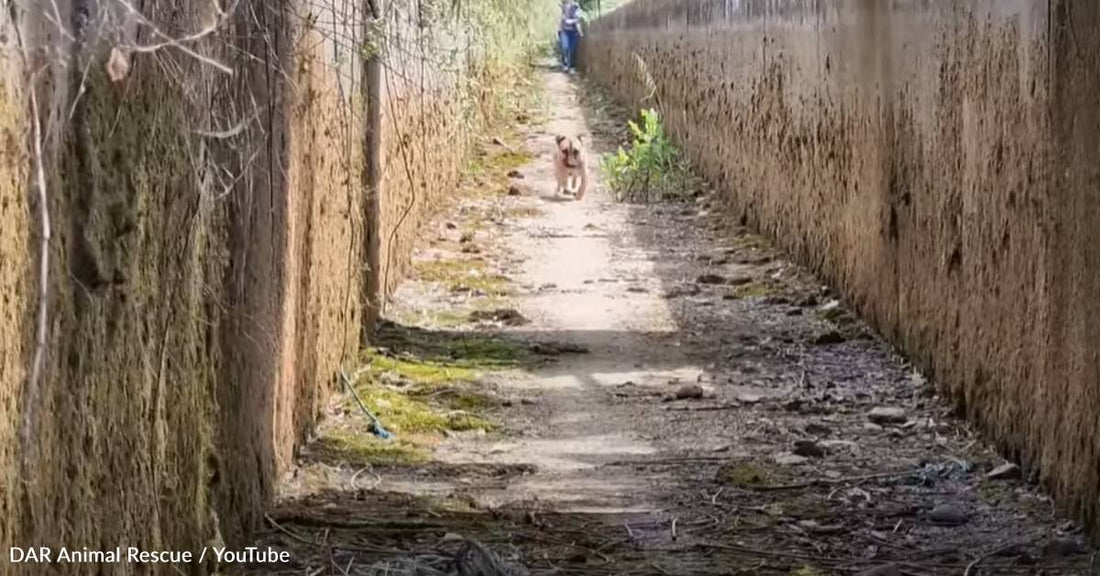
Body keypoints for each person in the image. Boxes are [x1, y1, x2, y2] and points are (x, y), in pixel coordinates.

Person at [559, 0, 585, 74]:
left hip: (574, 32)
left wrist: (580, 32)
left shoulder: (576, 7)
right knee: (565, 47)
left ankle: (571, 66)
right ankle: (565, 65)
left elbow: (578, 19)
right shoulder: (563, 6)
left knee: (572, 49)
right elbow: (563, 19)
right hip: (564, 31)